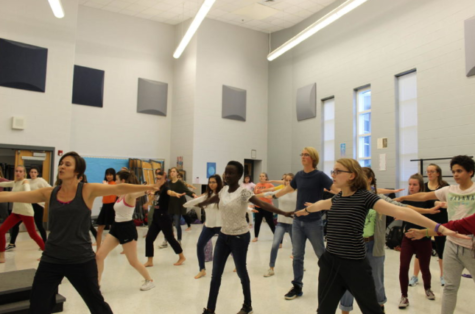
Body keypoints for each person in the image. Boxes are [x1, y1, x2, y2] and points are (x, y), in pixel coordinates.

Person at [295, 158, 464, 314]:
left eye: (338, 171)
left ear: (352, 175)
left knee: (372, 310)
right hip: (330, 262)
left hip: (355, 265)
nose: (333, 175)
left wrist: (440, 228)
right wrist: (305, 210)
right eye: (333, 171)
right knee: (324, 310)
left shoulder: (365, 197)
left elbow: (402, 211)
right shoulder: (338, 198)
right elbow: (322, 204)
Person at [0, 152, 160, 313]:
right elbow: (12, 195)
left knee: (97, 305)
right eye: (61, 163)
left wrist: (148, 187)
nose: (62, 166)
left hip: (80, 259)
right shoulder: (50, 192)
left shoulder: (87, 190)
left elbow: (119, 187)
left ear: (78, 171)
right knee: (38, 305)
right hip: (51, 259)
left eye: (67, 164)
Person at [193, 161, 292, 314]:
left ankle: (247, 305)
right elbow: (215, 198)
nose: (227, 175)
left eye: (231, 173)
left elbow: (262, 204)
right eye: (226, 172)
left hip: (240, 237)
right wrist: (202, 203)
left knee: (241, 271)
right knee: (216, 274)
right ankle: (210, 309)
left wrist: (283, 213)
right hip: (224, 236)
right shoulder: (223, 190)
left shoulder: (244, 192)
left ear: (239, 175)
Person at [396, 155, 475, 314]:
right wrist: (404, 197)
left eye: (459, 171)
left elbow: (461, 225)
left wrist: (425, 231)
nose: (455, 174)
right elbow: (424, 195)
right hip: (452, 245)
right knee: (450, 287)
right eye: (453, 171)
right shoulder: (449, 190)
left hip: (471, 247)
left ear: (470, 172)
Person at [272, 147, 338, 300]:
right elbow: (288, 188)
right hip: (297, 222)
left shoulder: (320, 176)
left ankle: (331, 282)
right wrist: (272, 195)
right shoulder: (299, 175)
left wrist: (344, 197)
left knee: (321, 254)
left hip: (314, 222)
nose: (303, 157)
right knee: (297, 255)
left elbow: (335, 190)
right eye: (301, 154)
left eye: (306, 155)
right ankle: (297, 286)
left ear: (313, 158)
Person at [95, 170, 155, 291]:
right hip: (116, 227)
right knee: (99, 256)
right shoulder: (119, 194)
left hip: (127, 228)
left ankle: (149, 280)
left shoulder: (129, 195)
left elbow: (137, 192)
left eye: (116, 179)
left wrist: (147, 190)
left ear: (122, 181)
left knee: (132, 261)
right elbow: (109, 189)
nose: (115, 181)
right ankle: (96, 285)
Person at [398, 173, 436, 309]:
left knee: (425, 267)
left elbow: (434, 213)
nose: (411, 187)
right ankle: (404, 296)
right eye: (409, 184)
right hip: (408, 238)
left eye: (414, 185)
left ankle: (427, 288)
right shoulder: (405, 200)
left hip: (423, 238)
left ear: (420, 186)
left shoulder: (426, 200)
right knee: (403, 267)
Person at [407, 164, 449, 287]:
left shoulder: (445, 187)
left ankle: (443, 276)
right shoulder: (424, 187)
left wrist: (442, 204)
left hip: (441, 219)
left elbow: (447, 202)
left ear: (438, 173)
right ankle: (415, 276)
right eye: (428, 171)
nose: (429, 173)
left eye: (432, 171)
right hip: (426, 220)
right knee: (420, 251)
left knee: (441, 249)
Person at [0, 166, 45, 262]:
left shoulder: (25, 182)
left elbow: (28, 192)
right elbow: (4, 183)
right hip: (16, 212)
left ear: (24, 173)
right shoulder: (15, 182)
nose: (18, 173)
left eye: (20, 171)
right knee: (1, 231)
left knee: (32, 234)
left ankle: (46, 253)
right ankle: (2, 256)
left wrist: (26, 189)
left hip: (26, 212)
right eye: (16, 171)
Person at [143, 171, 186, 267]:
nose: (158, 180)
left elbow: (170, 192)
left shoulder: (166, 188)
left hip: (164, 217)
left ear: (164, 179)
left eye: (159, 178)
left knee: (170, 238)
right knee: (149, 238)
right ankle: (150, 261)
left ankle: (181, 256)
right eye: (157, 178)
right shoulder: (158, 189)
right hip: (156, 216)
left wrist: (176, 194)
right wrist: (147, 203)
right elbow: (154, 197)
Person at [259, 173, 296, 277]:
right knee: (275, 244)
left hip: (294, 224)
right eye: (286, 180)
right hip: (281, 223)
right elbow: (269, 193)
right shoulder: (281, 191)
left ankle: (299, 265)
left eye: (290, 180)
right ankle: (271, 268)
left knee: (296, 247)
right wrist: (253, 196)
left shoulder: (299, 192)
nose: (288, 182)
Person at [9, 166, 51, 246]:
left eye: (35, 172)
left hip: (38, 205)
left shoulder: (41, 180)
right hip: (27, 205)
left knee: (39, 225)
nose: (33, 174)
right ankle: (12, 243)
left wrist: (43, 199)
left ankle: (45, 243)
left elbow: (49, 189)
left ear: (37, 173)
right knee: (16, 224)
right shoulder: (26, 181)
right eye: (31, 172)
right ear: (29, 173)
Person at [192, 175, 224, 279]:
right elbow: (196, 202)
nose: (211, 184)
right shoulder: (206, 196)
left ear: (218, 183)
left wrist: (248, 209)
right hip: (208, 226)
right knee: (200, 245)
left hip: (221, 226)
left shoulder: (223, 195)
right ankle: (202, 270)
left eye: (214, 182)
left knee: (231, 247)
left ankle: (238, 266)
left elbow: (234, 204)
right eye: (210, 182)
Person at [166, 167, 196, 244]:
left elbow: (187, 191)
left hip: (177, 207)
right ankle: (166, 240)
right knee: (167, 225)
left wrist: (194, 195)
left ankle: (179, 240)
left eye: (174, 171)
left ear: (177, 173)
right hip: (169, 206)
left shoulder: (180, 183)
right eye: (171, 171)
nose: (172, 173)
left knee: (177, 225)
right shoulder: (168, 183)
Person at [96, 168, 117, 250]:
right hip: (105, 206)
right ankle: (98, 248)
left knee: (115, 229)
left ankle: (123, 247)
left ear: (114, 175)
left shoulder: (114, 183)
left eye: (110, 174)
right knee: (100, 228)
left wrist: (105, 185)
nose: (108, 176)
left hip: (112, 206)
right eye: (107, 174)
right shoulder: (105, 183)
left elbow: (110, 189)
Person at [251, 172, 275, 242]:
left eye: (263, 176)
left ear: (266, 177)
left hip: (267, 206)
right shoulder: (257, 185)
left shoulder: (270, 185)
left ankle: (276, 236)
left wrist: (268, 196)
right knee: (257, 222)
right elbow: (255, 194)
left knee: (270, 222)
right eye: (260, 176)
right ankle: (256, 237)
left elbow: (273, 194)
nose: (261, 177)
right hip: (258, 206)